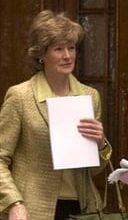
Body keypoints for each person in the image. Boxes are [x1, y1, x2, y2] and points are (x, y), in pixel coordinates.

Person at [0, 10, 111, 220]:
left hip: (84, 209)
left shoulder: (90, 96)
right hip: (32, 210)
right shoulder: (20, 97)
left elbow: (95, 170)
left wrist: (101, 144)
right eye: (58, 49)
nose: (68, 55)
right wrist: (14, 203)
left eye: (71, 48)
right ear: (41, 54)